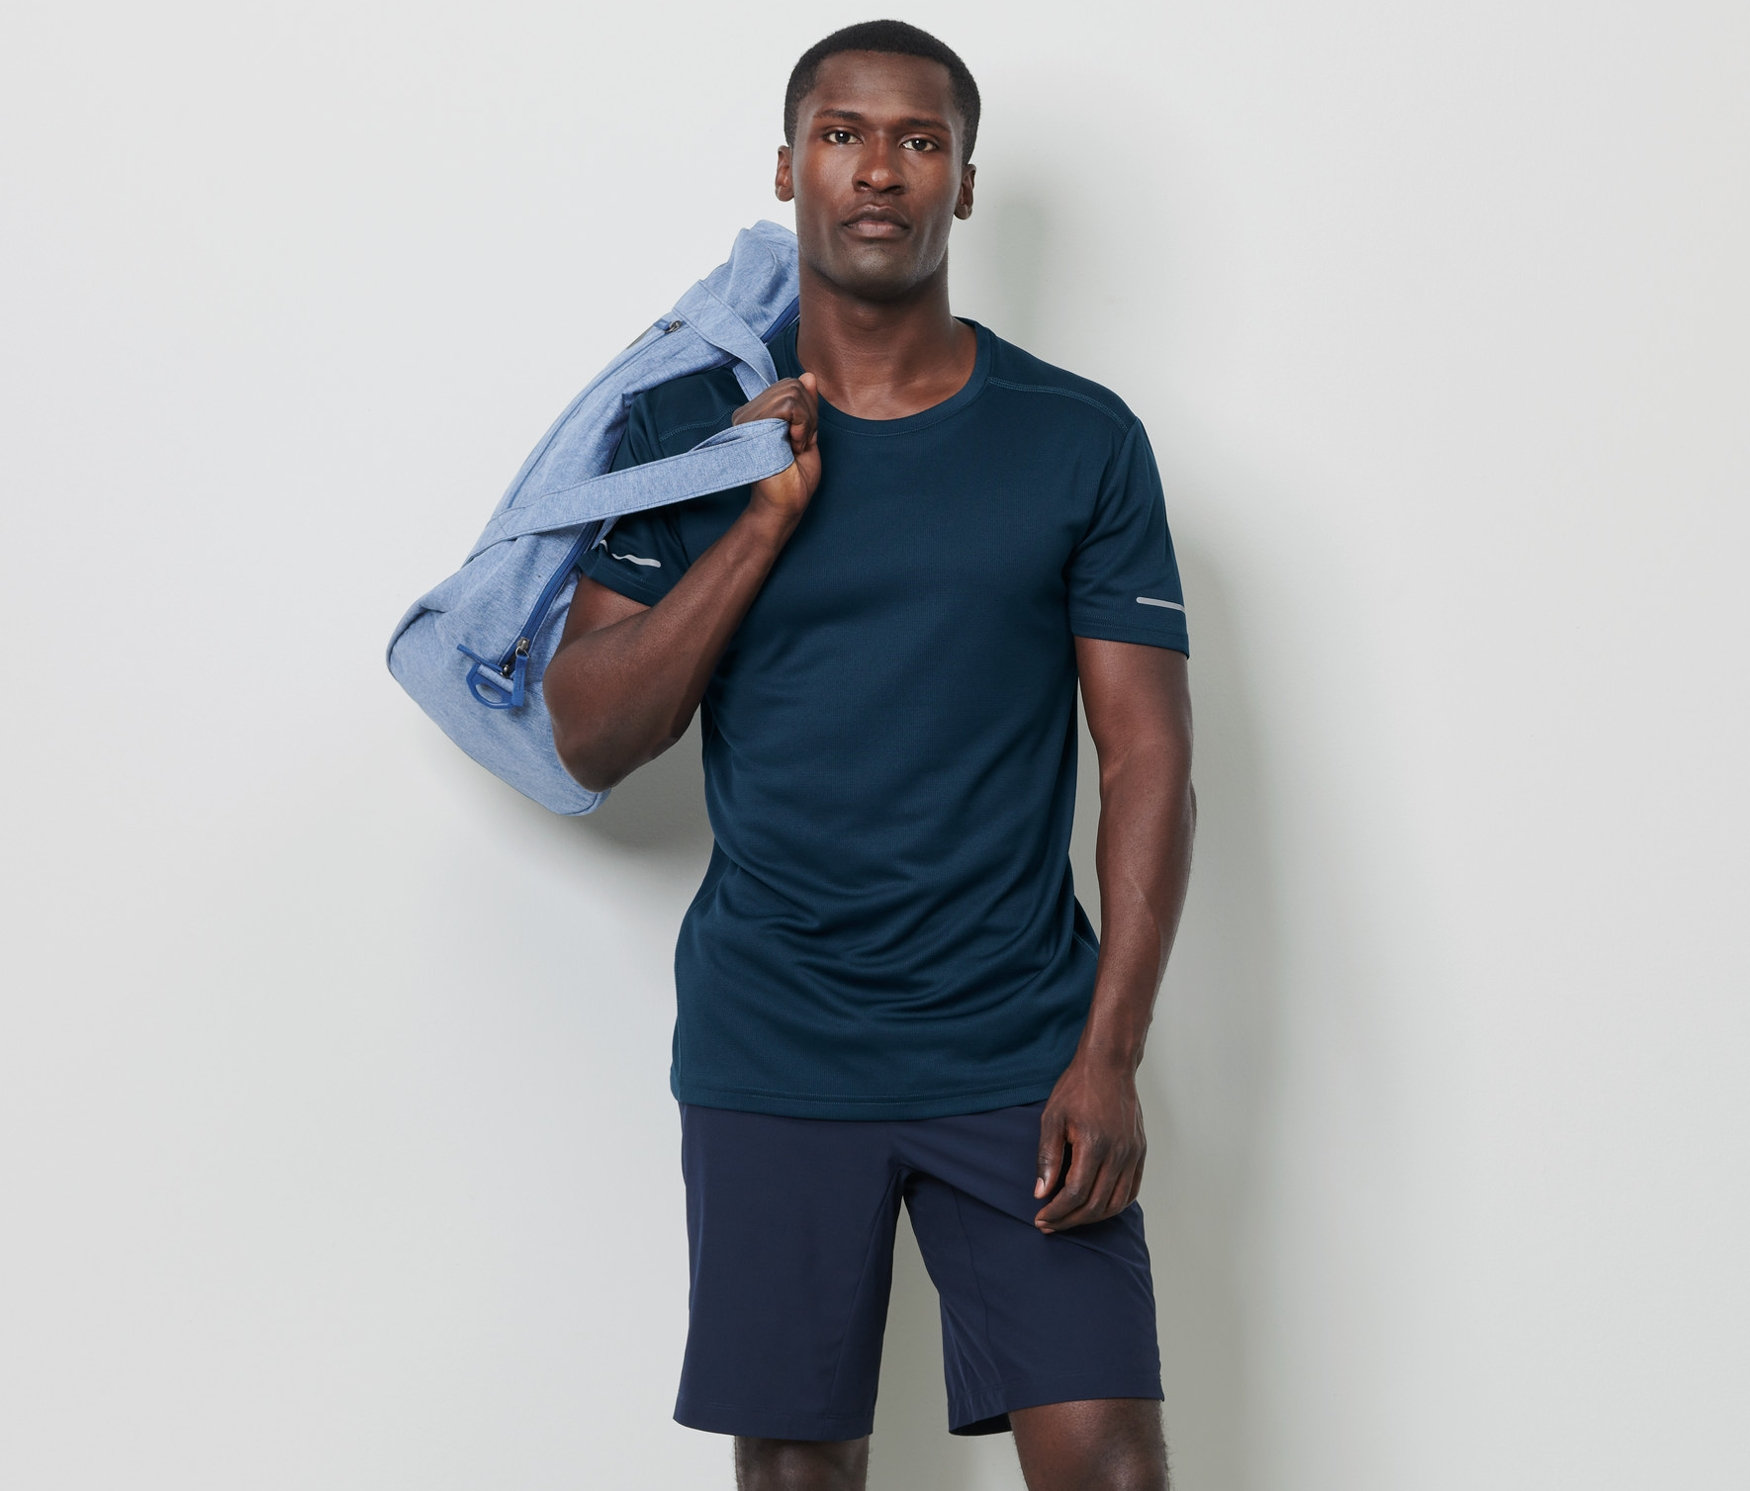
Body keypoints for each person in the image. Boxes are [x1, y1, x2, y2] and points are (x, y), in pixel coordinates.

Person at [544, 20, 1195, 1491]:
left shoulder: (1077, 439)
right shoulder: (684, 429)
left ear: (963, 183)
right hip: (775, 1041)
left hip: (1019, 1048)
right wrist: (759, 519)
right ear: (788, 167)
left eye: (917, 140)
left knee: (1109, 1463)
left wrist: (1108, 1054)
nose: (878, 171)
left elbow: (1148, 758)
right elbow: (591, 727)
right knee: (797, 1477)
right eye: (843, 135)